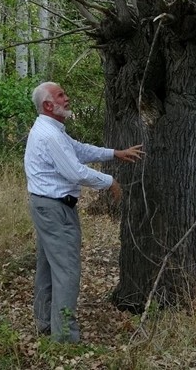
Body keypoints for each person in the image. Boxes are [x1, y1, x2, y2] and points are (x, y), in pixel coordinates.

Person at [24, 81, 144, 342]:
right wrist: (109, 181)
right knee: (66, 271)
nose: (67, 98)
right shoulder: (50, 134)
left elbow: (78, 150)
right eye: (60, 95)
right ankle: (64, 338)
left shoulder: (53, 130)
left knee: (48, 268)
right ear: (48, 105)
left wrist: (115, 153)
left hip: (48, 206)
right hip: (54, 210)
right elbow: (74, 171)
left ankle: (45, 323)